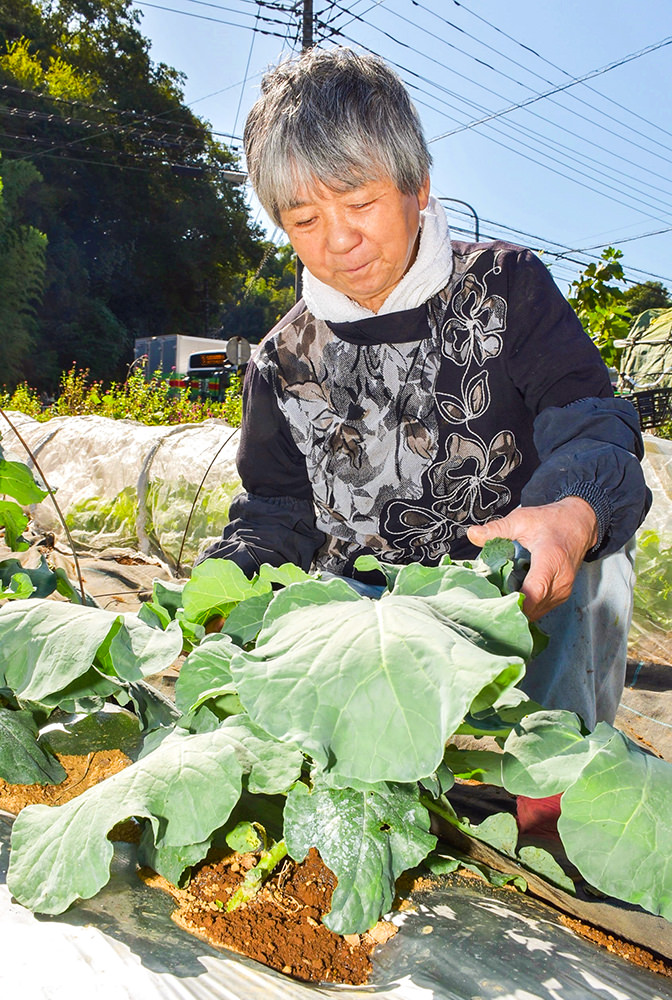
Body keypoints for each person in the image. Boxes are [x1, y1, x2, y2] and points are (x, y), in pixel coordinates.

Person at [202, 47, 651, 733]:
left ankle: (546, 797)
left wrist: (569, 512)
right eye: (305, 221)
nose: (340, 241)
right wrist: (220, 584)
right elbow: (276, 508)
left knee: (590, 564)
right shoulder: (281, 360)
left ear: (419, 187)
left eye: (358, 201)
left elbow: (590, 422)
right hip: (361, 620)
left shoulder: (507, 289)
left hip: (509, 603)